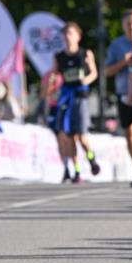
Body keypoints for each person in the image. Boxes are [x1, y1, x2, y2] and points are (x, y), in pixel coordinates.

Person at [50, 22, 100, 183]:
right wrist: (51, 85)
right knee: (68, 135)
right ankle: (77, 170)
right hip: (66, 96)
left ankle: (91, 158)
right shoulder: (59, 57)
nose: (68, 37)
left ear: (78, 36)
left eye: (71, 33)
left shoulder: (85, 54)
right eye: (65, 34)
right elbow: (54, 74)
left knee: (82, 136)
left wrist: (86, 79)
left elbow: (94, 73)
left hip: (80, 97)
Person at [104, 10, 132, 188]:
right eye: (128, 23)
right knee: (130, 133)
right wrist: (123, 62)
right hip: (124, 93)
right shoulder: (116, 45)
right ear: (123, 26)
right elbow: (107, 71)